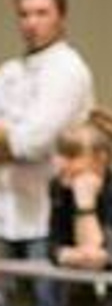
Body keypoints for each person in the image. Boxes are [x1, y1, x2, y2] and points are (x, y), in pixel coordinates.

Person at [0, 0, 94, 306]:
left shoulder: (69, 69)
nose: (31, 22)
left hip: (49, 217)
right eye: (24, 14)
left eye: (42, 13)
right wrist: (13, 141)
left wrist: (6, 136)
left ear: (61, 18)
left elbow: (33, 143)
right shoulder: (10, 71)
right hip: (6, 213)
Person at [48, 111, 112, 270]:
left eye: (71, 156)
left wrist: (85, 204)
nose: (61, 164)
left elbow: (101, 255)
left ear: (101, 159)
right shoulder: (60, 187)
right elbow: (55, 245)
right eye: (59, 155)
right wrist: (64, 255)